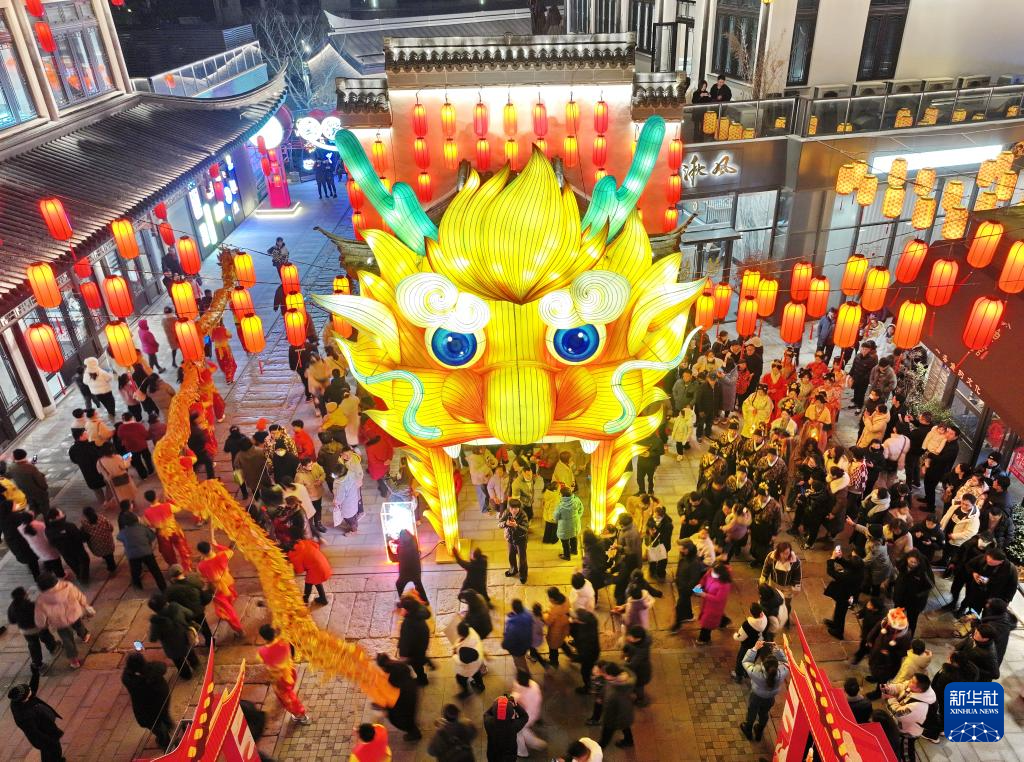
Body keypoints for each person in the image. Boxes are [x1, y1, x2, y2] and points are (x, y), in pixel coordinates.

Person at [9, 666, 64, 762]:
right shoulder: (24, 717)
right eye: (29, 691)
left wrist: (35, 673)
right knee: (51, 751)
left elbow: (32, 687)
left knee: (52, 751)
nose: (31, 690)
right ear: (25, 698)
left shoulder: (20, 700)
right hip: (44, 737)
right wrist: (50, 740)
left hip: (47, 728)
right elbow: (34, 733)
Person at [258, 624, 311, 724]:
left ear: (263, 638)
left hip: (280, 680)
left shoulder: (262, 651)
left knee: (288, 698)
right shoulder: (284, 642)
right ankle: (300, 714)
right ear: (274, 632)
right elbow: (292, 651)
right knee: (290, 690)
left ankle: (301, 715)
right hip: (290, 671)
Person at [739, 640, 790, 742]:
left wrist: (755, 649)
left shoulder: (756, 672)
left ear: (763, 664)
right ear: (776, 665)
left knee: (752, 712)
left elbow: (745, 662)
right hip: (770, 698)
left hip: (756, 696)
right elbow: (786, 662)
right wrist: (777, 650)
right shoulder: (782, 672)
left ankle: (748, 729)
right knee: (764, 713)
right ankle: (759, 730)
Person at [122, 651, 174, 748]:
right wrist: (146, 670)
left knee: (160, 725)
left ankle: (166, 738)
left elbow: (162, 667)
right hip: (156, 706)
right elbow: (161, 667)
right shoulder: (148, 673)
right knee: (162, 723)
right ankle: (168, 736)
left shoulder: (130, 678)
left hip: (151, 708)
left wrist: (144, 671)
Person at [881, 673, 935, 760]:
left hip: (909, 731)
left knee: (906, 752)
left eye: (912, 681)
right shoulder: (916, 688)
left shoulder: (918, 706)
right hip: (904, 725)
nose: (909, 681)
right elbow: (901, 687)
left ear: (919, 689)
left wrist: (890, 699)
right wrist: (889, 688)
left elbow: (898, 713)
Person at [196, 541, 245, 635]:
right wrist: (217, 544)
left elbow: (202, 575)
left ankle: (239, 629)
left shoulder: (201, 565)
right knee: (229, 601)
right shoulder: (222, 555)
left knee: (228, 611)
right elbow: (230, 551)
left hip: (217, 589)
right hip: (228, 582)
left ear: (201, 552)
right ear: (211, 547)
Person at [7, 587, 59, 671]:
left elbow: (12, 620)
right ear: (23, 595)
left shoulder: (12, 607)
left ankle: (38, 664)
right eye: (25, 592)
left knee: (33, 646)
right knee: (45, 635)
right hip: (36, 627)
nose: (27, 593)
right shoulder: (30, 605)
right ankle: (53, 647)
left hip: (25, 631)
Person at [865, 608, 913, 699]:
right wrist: (870, 639)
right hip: (877, 654)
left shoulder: (905, 636)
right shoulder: (886, 623)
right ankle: (875, 677)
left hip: (888, 663)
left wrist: (889, 653)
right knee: (874, 668)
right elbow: (875, 629)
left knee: (882, 679)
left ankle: (878, 693)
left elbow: (903, 652)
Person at [166, 563, 214, 646]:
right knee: (205, 628)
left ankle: (191, 644)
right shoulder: (193, 581)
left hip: (185, 614)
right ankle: (210, 643)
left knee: (188, 630)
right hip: (198, 612)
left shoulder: (170, 590)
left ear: (172, 577)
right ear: (182, 571)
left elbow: (171, 603)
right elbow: (203, 596)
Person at [823, 544, 863, 639]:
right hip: (846, 592)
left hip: (845, 595)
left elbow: (831, 572)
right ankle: (835, 623)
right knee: (838, 609)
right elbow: (848, 564)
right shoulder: (859, 566)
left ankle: (839, 632)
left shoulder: (848, 576)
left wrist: (832, 558)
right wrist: (840, 558)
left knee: (841, 612)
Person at [118, 513, 167, 590]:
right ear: (137, 519)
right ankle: (163, 587)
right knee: (155, 570)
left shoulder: (123, 532)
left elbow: (119, 537)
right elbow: (152, 536)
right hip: (146, 552)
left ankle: (138, 586)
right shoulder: (143, 528)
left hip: (133, 555)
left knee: (135, 571)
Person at [44, 508, 92, 584]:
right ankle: (84, 579)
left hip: (65, 553)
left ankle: (79, 575)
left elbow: (52, 543)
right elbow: (80, 537)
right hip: (77, 550)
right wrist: (86, 535)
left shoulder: (48, 529)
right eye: (61, 513)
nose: (63, 513)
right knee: (84, 562)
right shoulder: (69, 526)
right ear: (57, 517)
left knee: (73, 564)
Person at [759, 541, 801, 623]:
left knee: (786, 604)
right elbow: (766, 568)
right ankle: (773, 615)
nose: (786, 555)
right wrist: (763, 578)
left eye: (788, 553)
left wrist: (796, 585)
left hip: (787, 587)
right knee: (773, 601)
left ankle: (786, 619)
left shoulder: (795, 561)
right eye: (784, 553)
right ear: (779, 552)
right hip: (774, 585)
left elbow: (797, 575)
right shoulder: (771, 557)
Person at [598, 663, 635, 748]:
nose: (603, 675)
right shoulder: (616, 681)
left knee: (605, 737)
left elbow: (613, 711)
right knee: (625, 727)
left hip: (613, 719)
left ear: (611, 675)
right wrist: (601, 695)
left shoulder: (616, 693)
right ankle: (629, 741)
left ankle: (599, 749)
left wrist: (608, 722)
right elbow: (607, 687)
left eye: (605, 674)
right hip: (624, 716)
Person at [484, 694, 529, 762]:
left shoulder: (488, 722)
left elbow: (486, 714)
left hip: (493, 755)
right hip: (509, 757)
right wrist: (516, 705)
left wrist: (496, 703)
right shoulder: (513, 725)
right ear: (511, 713)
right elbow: (525, 717)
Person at [398, 594, 432, 685]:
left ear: (407, 609)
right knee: (421, 657)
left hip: (415, 649)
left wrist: (403, 655)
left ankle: (422, 680)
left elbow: (405, 640)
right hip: (423, 641)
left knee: (417, 665)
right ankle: (428, 661)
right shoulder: (420, 609)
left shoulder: (408, 623)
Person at [511, 669, 546, 757]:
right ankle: (537, 744)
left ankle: (523, 752)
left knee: (518, 731)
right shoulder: (534, 685)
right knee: (522, 730)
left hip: (526, 717)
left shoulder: (522, 693)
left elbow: (517, 704)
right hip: (534, 713)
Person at [287, 537, 332, 606]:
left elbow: (299, 570)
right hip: (324, 564)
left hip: (317, 569)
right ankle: (323, 598)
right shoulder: (303, 542)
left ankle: (305, 600)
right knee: (316, 581)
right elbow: (316, 546)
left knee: (308, 583)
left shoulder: (294, 556)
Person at [696, 561, 732, 644]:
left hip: (715, 606)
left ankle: (704, 639)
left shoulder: (725, 584)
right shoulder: (712, 571)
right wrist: (700, 585)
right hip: (707, 602)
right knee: (715, 617)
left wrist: (704, 595)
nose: (712, 573)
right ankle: (723, 622)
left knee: (707, 622)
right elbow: (704, 578)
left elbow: (719, 599)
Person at [568, 607, 601, 693]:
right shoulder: (591, 620)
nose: (573, 619)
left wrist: (577, 658)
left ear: (580, 621)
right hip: (594, 651)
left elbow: (584, 654)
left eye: (575, 618)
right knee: (590, 667)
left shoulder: (585, 637)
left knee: (585, 671)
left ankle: (587, 687)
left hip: (589, 656)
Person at [8, 449, 49, 514]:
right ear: (25, 455)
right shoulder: (31, 467)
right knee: (45, 510)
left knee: (32, 510)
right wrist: (45, 488)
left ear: (14, 457)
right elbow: (41, 482)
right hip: (39, 493)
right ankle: (47, 519)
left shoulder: (11, 467)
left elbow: (9, 474)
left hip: (25, 494)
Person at [68, 435, 107, 504]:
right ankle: (108, 502)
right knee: (109, 485)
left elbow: (74, 460)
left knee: (97, 491)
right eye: (84, 433)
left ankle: (103, 504)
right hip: (99, 472)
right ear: (80, 436)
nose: (87, 433)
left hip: (88, 475)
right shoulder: (91, 446)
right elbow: (99, 456)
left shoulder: (73, 449)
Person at [394, 529, 429, 604]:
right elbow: (406, 542)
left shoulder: (401, 548)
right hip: (416, 570)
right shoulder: (413, 541)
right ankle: (425, 600)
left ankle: (403, 602)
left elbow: (397, 557)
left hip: (406, 573)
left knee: (399, 584)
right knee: (418, 584)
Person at [500, 498, 530, 583]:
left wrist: (516, 526)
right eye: (511, 508)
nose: (513, 510)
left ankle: (523, 575)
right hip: (510, 539)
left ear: (519, 508)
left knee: (522, 558)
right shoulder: (506, 512)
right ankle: (513, 570)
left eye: (516, 508)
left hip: (521, 540)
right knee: (511, 556)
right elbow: (499, 523)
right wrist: (505, 523)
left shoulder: (523, 515)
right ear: (509, 508)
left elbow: (525, 529)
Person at [502, 598, 534, 674]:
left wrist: (504, 644)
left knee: (520, 662)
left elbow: (507, 641)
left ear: (514, 609)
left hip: (518, 649)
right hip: (526, 643)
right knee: (522, 659)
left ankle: (525, 675)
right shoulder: (528, 613)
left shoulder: (513, 625)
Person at [555, 485, 584, 560]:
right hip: (575, 524)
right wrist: (577, 516)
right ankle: (574, 550)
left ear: (563, 495)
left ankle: (567, 556)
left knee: (565, 541)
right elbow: (581, 509)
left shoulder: (561, 505)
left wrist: (557, 520)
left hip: (565, 526)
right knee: (573, 536)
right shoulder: (576, 500)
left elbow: (556, 516)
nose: (559, 494)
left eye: (560, 493)